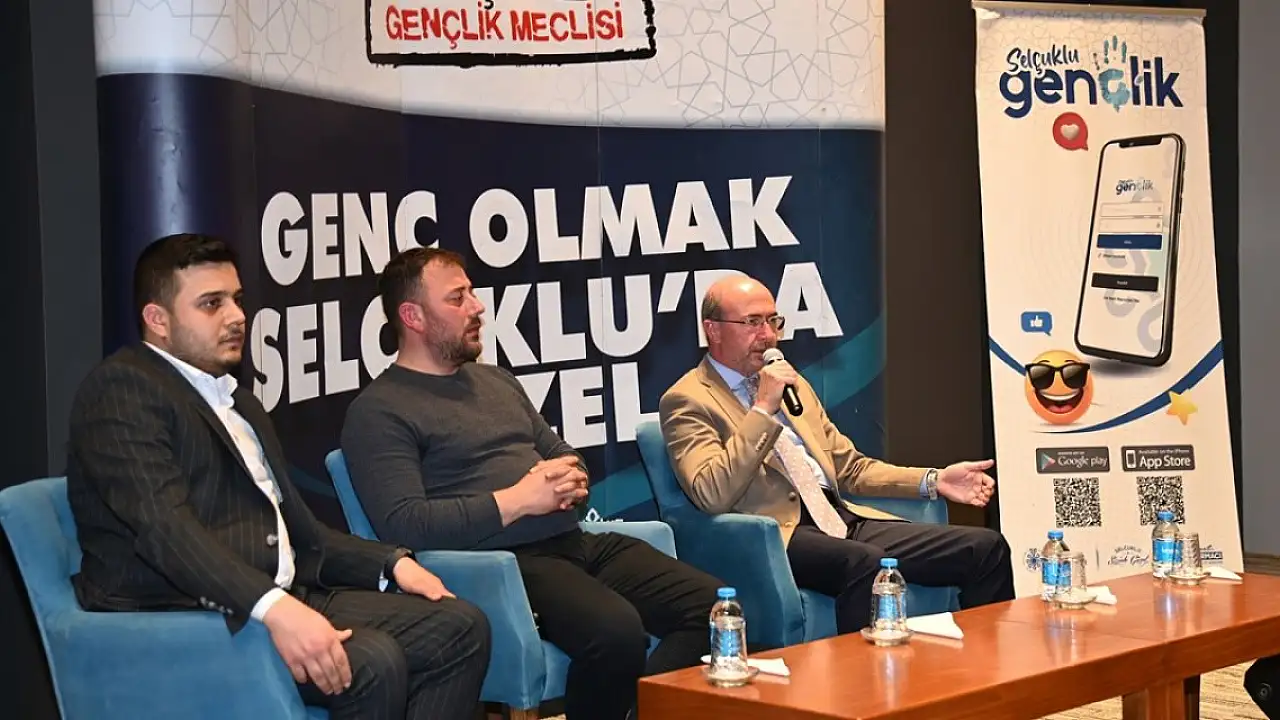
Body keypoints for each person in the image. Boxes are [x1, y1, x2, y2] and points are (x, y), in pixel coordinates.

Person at [67, 233, 491, 720]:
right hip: (182, 615)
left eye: (237, 299)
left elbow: (300, 533)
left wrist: (390, 564)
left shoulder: (237, 401)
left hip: (277, 595)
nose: (236, 316)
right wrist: (275, 609)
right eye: (211, 304)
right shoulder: (122, 391)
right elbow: (166, 531)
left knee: (460, 628)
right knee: (371, 662)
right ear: (157, 319)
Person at [340, 247, 723, 720]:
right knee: (616, 633)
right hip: (502, 564)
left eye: (472, 293)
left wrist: (570, 477)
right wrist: (518, 501)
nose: (477, 307)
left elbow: (560, 451)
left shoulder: (496, 381)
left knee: (715, 610)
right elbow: (405, 524)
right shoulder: (379, 410)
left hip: (573, 541)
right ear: (412, 316)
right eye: (458, 298)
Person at [658, 274, 1015, 635]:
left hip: (840, 521)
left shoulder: (794, 385)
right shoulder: (688, 399)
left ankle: (989, 667)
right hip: (778, 535)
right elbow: (711, 493)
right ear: (713, 330)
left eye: (773, 321)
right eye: (752, 322)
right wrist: (763, 410)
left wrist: (933, 480)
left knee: (985, 548)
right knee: (865, 563)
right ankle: (866, 673)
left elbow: (849, 467)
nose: (767, 335)